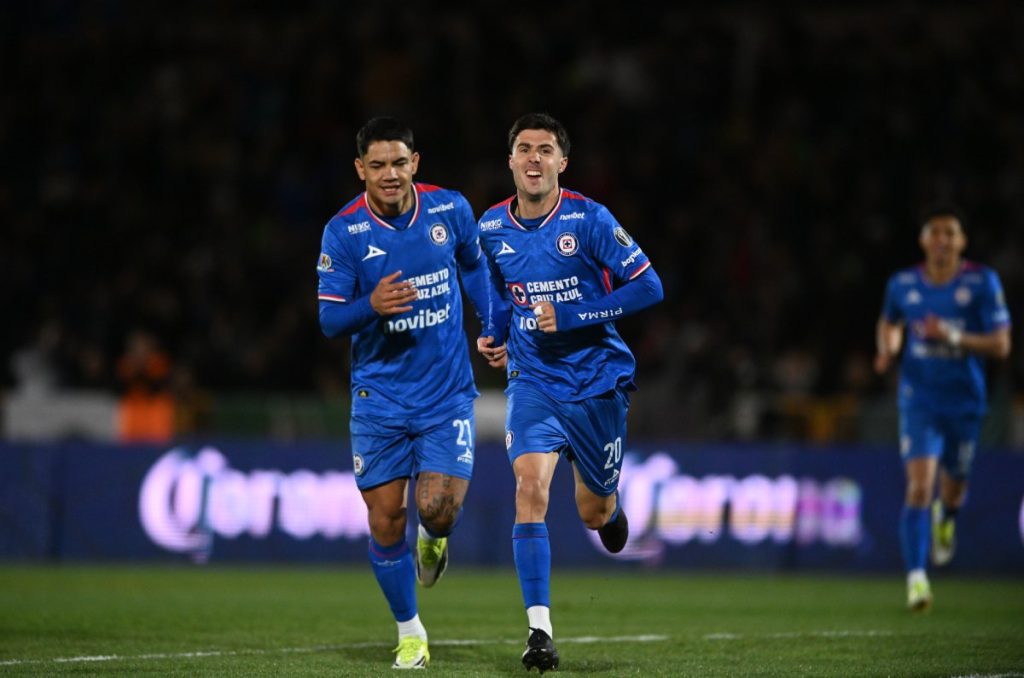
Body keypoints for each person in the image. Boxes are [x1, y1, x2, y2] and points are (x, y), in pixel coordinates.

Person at [476, 113, 664, 671]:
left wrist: (575, 314)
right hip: (532, 380)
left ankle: (610, 509)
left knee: (591, 510)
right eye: (524, 148)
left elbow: (649, 286)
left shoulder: (589, 219)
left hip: (595, 381)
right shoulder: (491, 227)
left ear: (563, 162)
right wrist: (496, 332)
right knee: (529, 488)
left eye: (545, 149)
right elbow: (500, 292)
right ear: (511, 161)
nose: (534, 158)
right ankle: (540, 632)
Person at [316, 117, 491, 669]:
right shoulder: (344, 232)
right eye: (377, 165)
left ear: (415, 162)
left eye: (398, 163)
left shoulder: (450, 209)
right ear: (360, 169)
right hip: (380, 399)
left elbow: (474, 267)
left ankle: (434, 540)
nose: (389, 174)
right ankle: (410, 631)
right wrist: (371, 306)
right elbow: (329, 320)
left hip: (445, 394)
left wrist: (492, 321)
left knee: (437, 510)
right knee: (386, 519)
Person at [874, 207, 1011, 612]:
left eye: (950, 233)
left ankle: (946, 517)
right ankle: (917, 579)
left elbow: (1001, 345)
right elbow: (889, 323)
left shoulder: (982, 282)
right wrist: (888, 348)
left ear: (961, 242)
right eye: (934, 232)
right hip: (919, 399)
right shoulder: (901, 284)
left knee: (953, 488)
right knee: (918, 487)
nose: (942, 240)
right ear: (923, 241)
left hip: (965, 402)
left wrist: (951, 335)